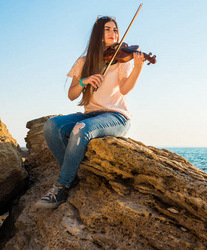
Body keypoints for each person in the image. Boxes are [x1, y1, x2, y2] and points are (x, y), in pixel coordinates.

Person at [36, 16, 145, 209]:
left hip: (116, 116)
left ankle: (60, 188)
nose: (114, 34)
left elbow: (125, 89)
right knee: (51, 125)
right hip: (91, 114)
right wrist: (83, 81)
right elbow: (71, 95)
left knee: (80, 128)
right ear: (98, 35)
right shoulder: (84, 62)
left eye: (115, 30)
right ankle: (71, 175)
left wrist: (137, 69)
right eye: (108, 30)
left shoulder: (121, 59)